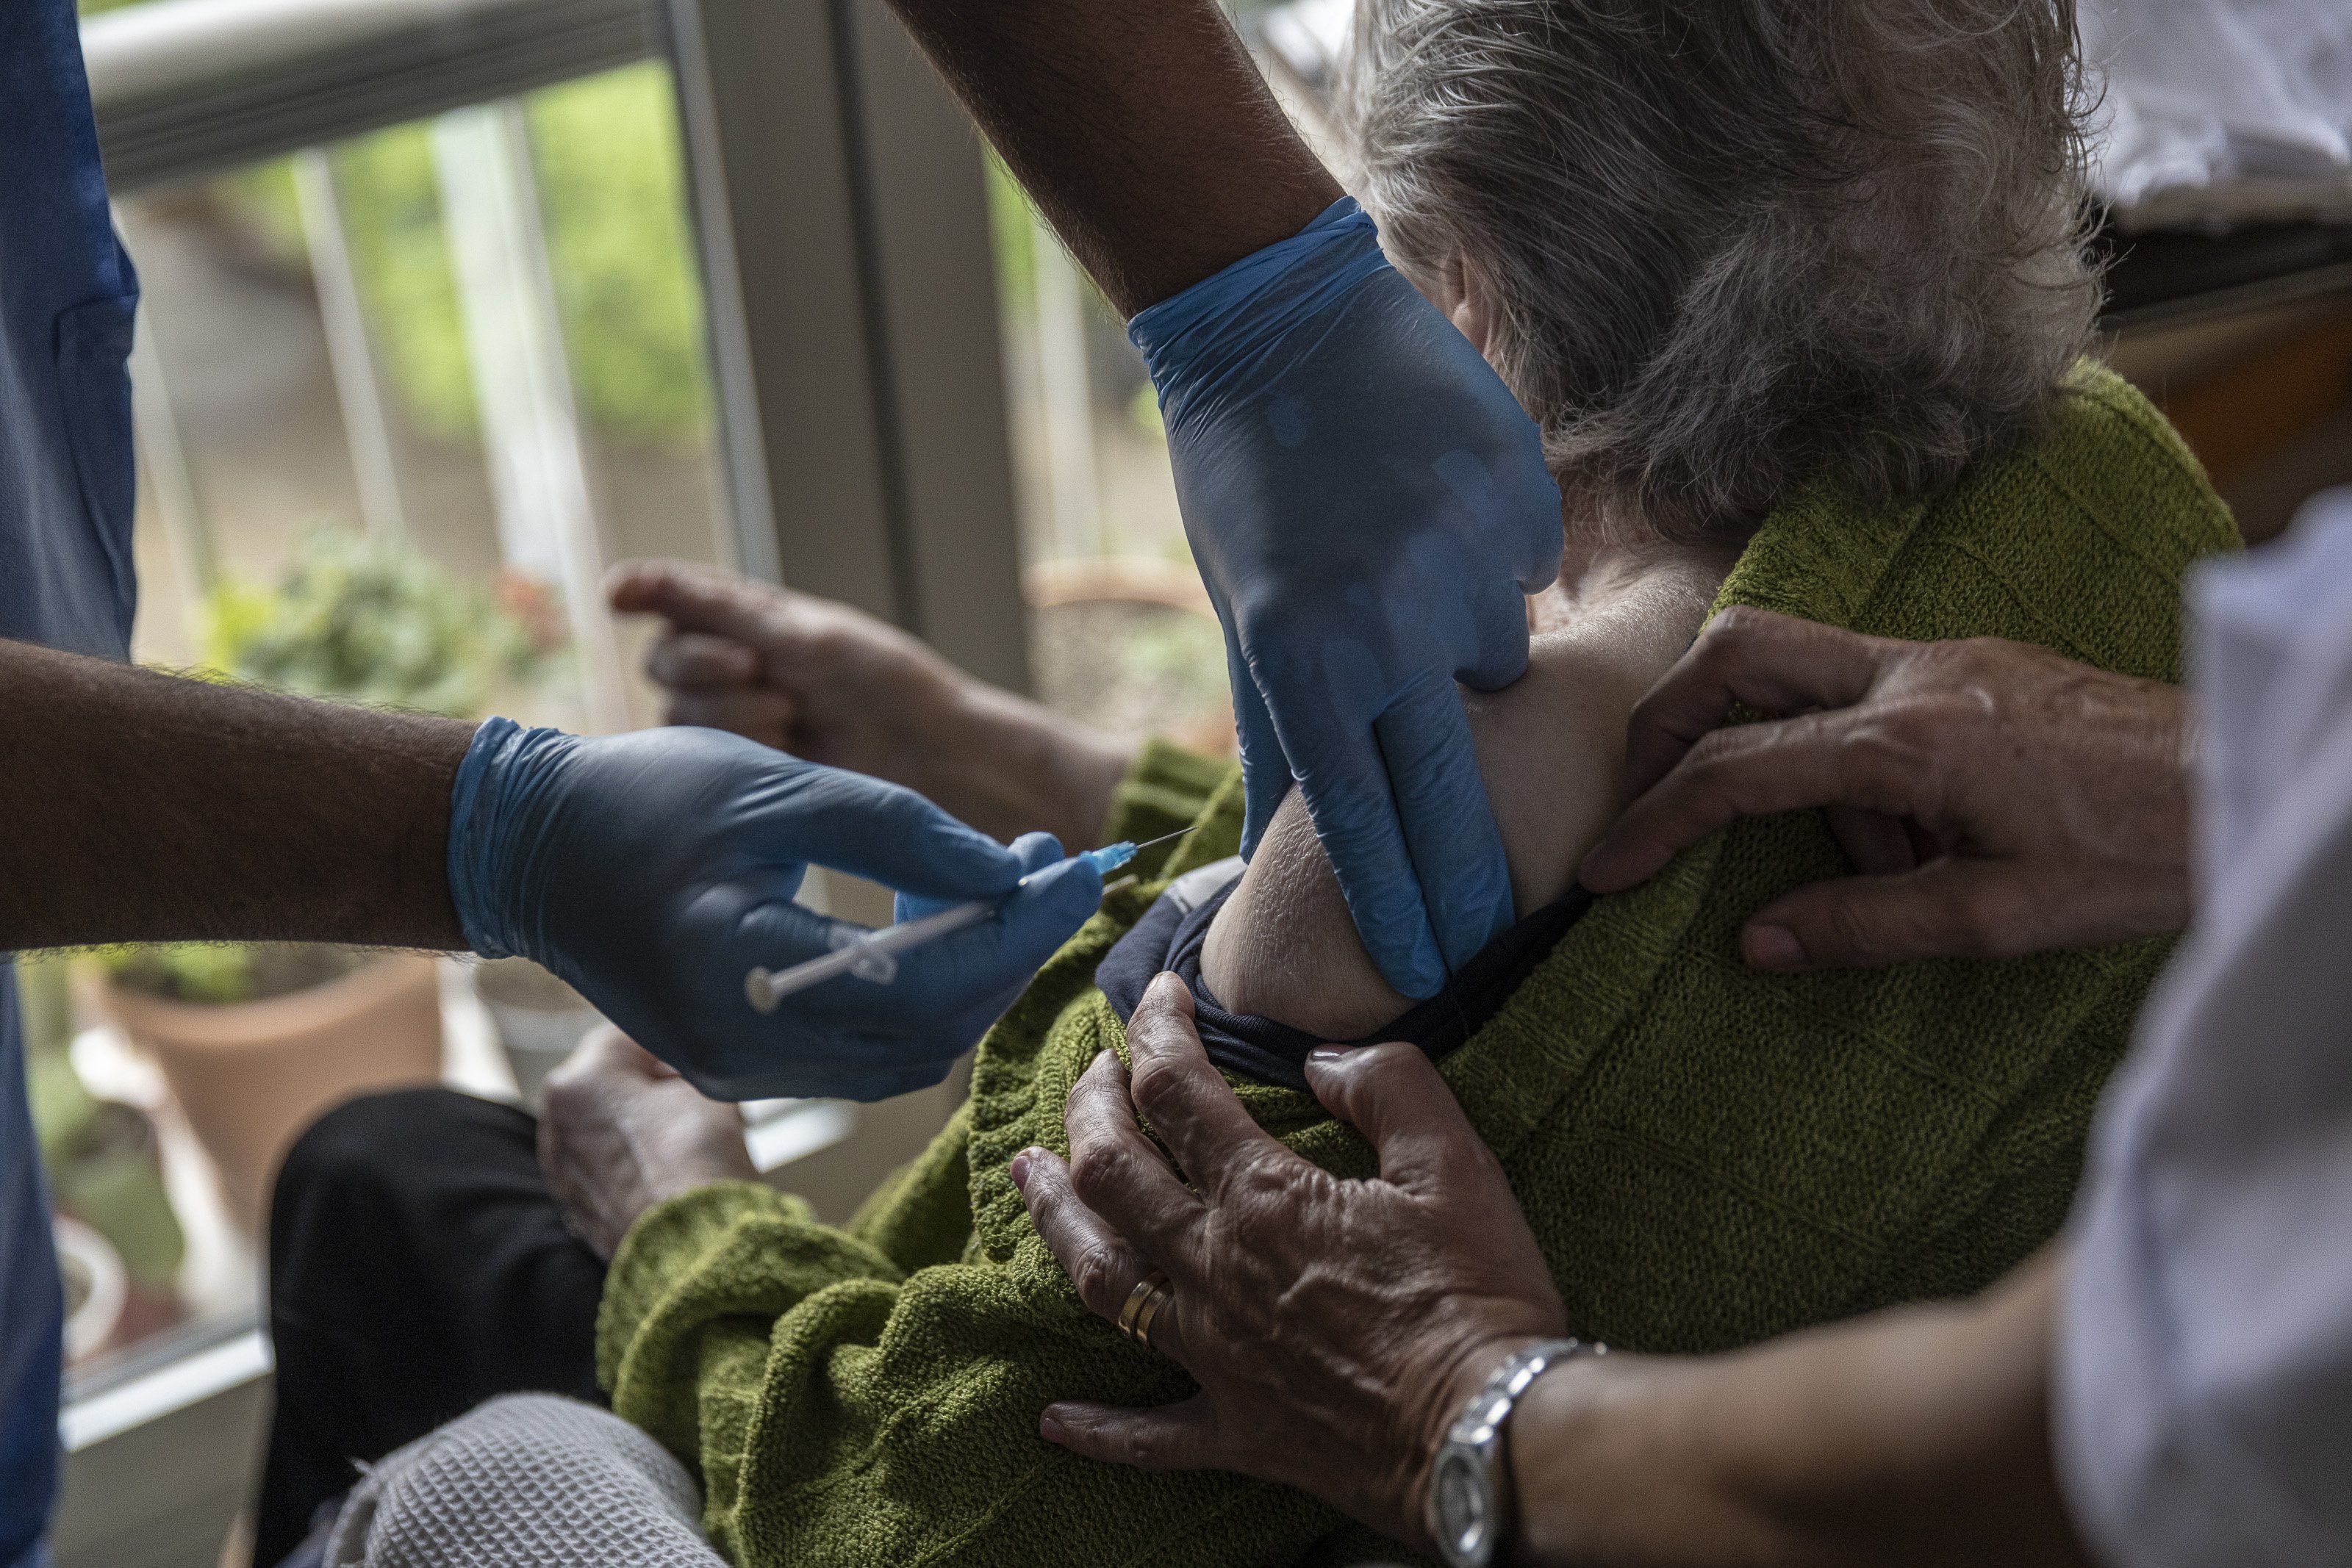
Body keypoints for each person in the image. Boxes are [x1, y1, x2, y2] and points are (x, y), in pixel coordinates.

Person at [262, 0, 2242, 1559]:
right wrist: (979, 741)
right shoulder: (2119, 497)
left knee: (374, 1178)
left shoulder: (1468, 799)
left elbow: (905, 1517)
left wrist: (681, 1217)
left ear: (1453, 286)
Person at [1008, 493, 2352, 1567]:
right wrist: (2214, 770)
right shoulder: (2105, 478)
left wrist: (1451, 1410)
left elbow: (2106, 1453)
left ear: (1467, 291)